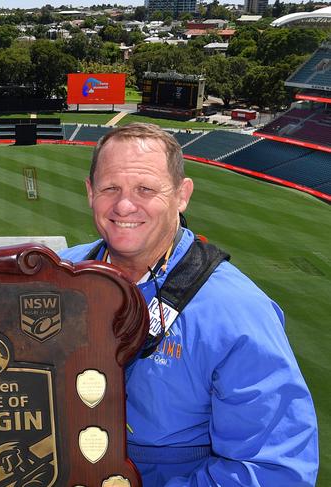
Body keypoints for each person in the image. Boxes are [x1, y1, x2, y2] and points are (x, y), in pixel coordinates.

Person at [60, 123, 318, 486]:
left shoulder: (238, 314)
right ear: (90, 193)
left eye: (145, 189)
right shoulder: (56, 277)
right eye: (110, 188)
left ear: (182, 195)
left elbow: (273, 470)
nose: (124, 205)